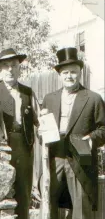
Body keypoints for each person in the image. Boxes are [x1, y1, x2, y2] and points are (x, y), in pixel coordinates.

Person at [39, 47, 105, 219]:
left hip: (80, 160)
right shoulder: (49, 98)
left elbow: (103, 129)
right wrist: (41, 132)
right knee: (48, 203)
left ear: (80, 72)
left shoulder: (93, 98)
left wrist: (91, 139)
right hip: (55, 158)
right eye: (65, 72)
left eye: (73, 72)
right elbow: (43, 128)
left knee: (81, 207)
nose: (69, 76)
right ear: (59, 75)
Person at [0, 47, 39, 219]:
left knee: (23, 190)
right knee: (1, 191)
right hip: (0, 146)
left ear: (19, 68)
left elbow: (39, 120)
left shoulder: (28, 92)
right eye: (5, 66)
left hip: (24, 146)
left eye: (14, 65)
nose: (10, 69)